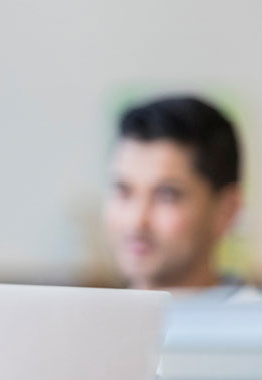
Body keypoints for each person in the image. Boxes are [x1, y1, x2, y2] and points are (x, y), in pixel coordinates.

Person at [103, 95, 244, 294]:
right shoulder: (88, 323)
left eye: (166, 196)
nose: (136, 221)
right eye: (123, 191)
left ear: (227, 210)